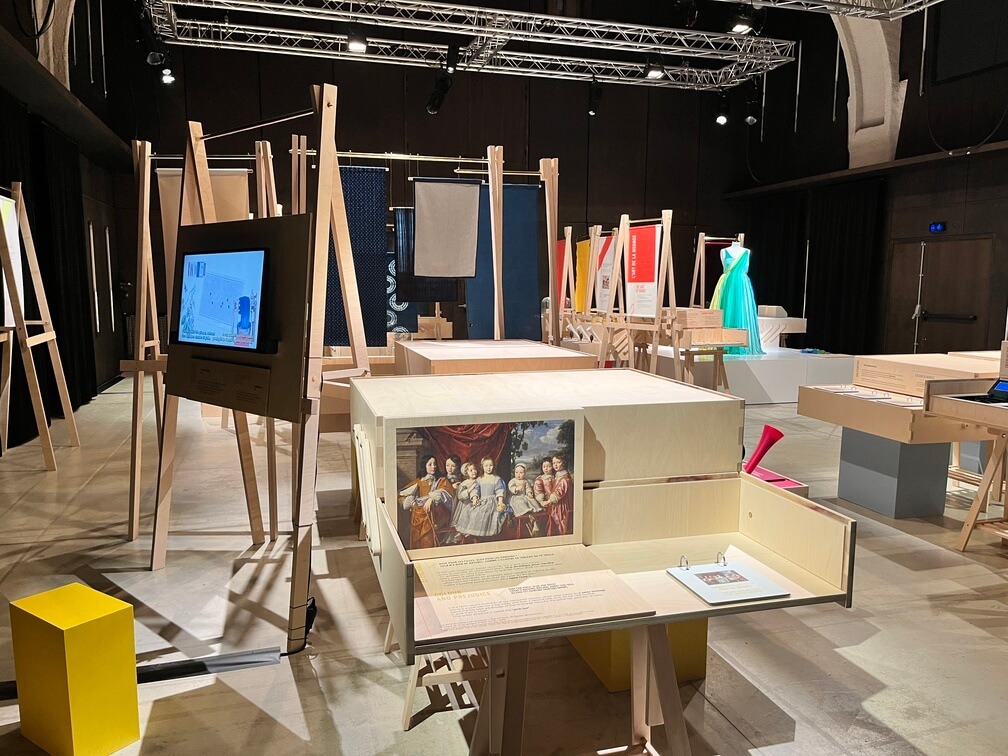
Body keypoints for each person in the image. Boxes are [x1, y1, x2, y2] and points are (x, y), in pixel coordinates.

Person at [397, 455, 454, 549]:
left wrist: (432, 498)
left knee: (428, 514)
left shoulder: (441, 480)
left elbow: (447, 493)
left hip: (437, 514)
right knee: (419, 511)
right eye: (430, 464)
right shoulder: (420, 481)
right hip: (419, 513)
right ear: (424, 466)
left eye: (435, 464)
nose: (433, 467)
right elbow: (401, 494)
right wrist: (411, 503)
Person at [451, 457, 506, 540]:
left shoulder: (496, 479)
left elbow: (500, 490)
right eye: (486, 466)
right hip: (481, 500)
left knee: (483, 512)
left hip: (491, 501)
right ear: (482, 467)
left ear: (493, 466)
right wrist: (474, 498)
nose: (488, 468)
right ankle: (469, 531)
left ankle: (480, 532)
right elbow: (476, 490)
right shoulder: (479, 479)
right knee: (470, 511)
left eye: (490, 465)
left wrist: (500, 502)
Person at [546, 454, 574, 536]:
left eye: (558, 462)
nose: (555, 465)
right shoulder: (558, 475)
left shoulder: (565, 478)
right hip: (557, 505)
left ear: (563, 463)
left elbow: (559, 492)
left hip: (562, 506)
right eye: (553, 463)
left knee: (561, 522)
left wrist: (547, 501)